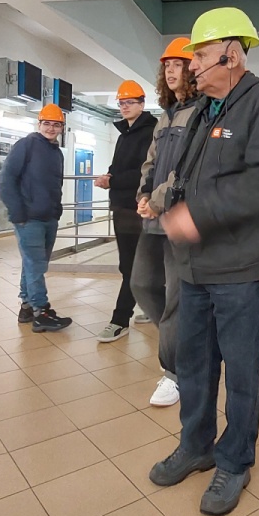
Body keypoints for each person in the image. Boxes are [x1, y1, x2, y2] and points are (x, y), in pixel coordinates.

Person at [148, 7, 259, 516]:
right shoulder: (206, 110)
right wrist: (165, 202)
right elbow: (187, 176)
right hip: (195, 267)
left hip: (240, 269)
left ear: (232, 54)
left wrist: (196, 215)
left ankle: (234, 460)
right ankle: (196, 445)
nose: (192, 67)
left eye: (201, 56)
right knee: (194, 364)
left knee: (243, 371)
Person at [133, 37, 199, 407]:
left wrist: (157, 200)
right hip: (154, 214)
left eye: (178, 64)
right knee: (141, 283)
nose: (171, 71)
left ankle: (175, 373)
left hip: (180, 215)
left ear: (192, 69)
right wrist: (143, 196)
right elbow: (151, 161)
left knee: (176, 294)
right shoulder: (167, 114)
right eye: (167, 66)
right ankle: (183, 341)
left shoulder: (201, 111)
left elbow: (187, 169)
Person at [94, 80, 158, 342]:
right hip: (122, 206)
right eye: (122, 103)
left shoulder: (151, 132)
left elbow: (146, 172)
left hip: (137, 207)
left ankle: (120, 319)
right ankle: (151, 307)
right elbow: (119, 167)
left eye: (130, 102)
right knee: (136, 264)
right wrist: (109, 176)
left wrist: (114, 181)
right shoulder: (124, 135)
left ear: (142, 104)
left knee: (131, 265)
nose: (125, 107)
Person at [0, 103, 73, 333]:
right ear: (38, 124)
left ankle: (26, 307)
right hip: (29, 218)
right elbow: (7, 179)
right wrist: (17, 213)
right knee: (35, 264)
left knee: (34, 263)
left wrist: (57, 210)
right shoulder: (26, 145)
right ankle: (41, 311)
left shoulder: (56, 152)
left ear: (62, 127)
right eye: (47, 123)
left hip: (49, 217)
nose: (51, 128)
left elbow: (55, 184)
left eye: (56, 125)